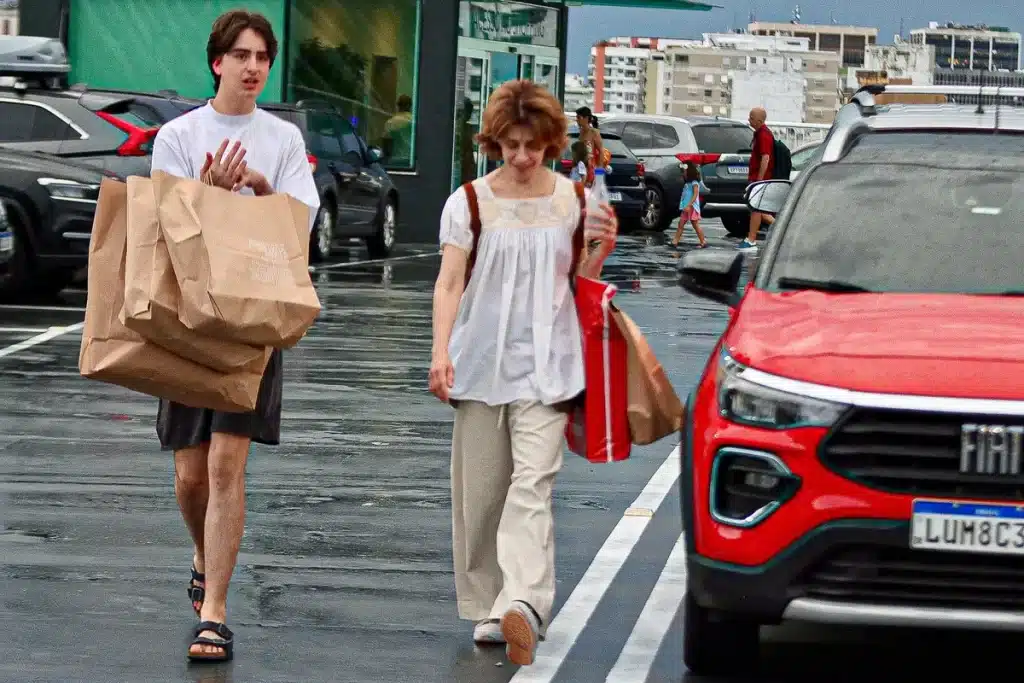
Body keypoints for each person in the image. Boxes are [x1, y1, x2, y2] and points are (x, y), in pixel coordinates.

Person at [149, 9, 319, 662]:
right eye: (242, 55)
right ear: (217, 62)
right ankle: (201, 552)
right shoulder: (179, 137)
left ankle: (214, 610)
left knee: (226, 462)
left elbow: (300, 222)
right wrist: (206, 192)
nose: (254, 67)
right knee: (190, 475)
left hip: (252, 316)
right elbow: (163, 223)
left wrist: (261, 186)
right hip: (189, 315)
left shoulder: (279, 138)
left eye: (263, 57)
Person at [429, 80, 618, 667]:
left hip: (549, 366)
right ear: (494, 141)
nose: (520, 156)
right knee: (481, 496)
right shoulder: (469, 202)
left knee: (532, 483)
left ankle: (526, 604)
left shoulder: (572, 200)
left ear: (550, 141)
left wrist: (599, 251)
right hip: (481, 362)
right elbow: (450, 282)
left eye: (531, 144)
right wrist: (440, 352)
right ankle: (492, 604)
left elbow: (578, 280)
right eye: (510, 144)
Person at [739, 106, 775, 252]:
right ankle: (781, 227)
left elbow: (765, 158)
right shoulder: (760, 133)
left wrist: (760, 180)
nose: (749, 120)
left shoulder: (764, 135)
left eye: (752, 118)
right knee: (757, 209)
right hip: (758, 178)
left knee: (756, 208)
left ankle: (751, 239)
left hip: (760, 179)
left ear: (759, 120)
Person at [673, 161, 707, 248]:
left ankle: (703, 241)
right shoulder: (687, 183)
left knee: (695, 224)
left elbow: (695, 194)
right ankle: (675, 241)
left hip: (692, 207)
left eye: (684, 171)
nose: (683, 173)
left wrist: (689, 205)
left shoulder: (694, 182)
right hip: (686, 207)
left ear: (690, 172)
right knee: (680, 223)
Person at [574, 105, 603, 187]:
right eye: (576, 117)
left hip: (590, 170)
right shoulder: (581, 131)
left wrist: (599, 173)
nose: (576, 119)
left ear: (586, 118)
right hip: (580, 168)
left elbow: (601, 152)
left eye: (578, 117)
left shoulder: (594, 132)